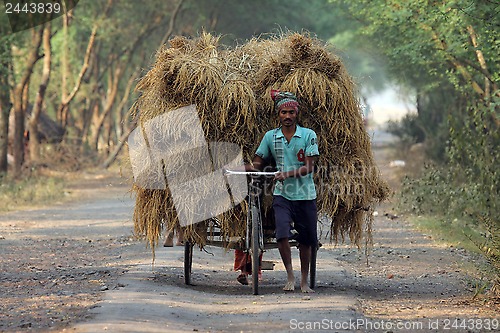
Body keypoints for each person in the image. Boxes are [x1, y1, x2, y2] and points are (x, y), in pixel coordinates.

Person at [242, 89, 319, 293]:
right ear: (279, 114)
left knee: (306, 240)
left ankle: (304, 280)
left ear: (296, 114)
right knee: (282, 234)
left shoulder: (308, 135)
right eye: (283, 113)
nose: (287, 116)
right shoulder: (271, 137)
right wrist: (238, 168)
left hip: (305, 195)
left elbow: (310, 167)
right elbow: (258, 164)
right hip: (282, 194)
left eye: (291, 113)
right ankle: (290, 276)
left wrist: (287, 173)